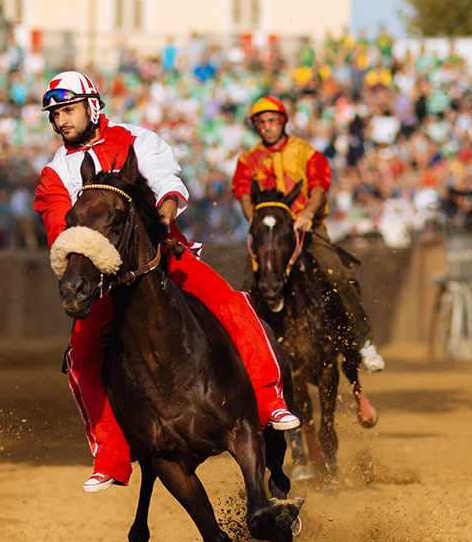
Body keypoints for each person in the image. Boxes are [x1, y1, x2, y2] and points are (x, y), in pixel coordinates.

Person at [34, 71, 299, 494]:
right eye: (55, 115)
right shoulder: (54, 173)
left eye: (68, 110)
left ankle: (269, 400)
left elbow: (167, 186)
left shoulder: (138, 138)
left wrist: (162, 223)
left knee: (232, 303)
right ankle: (111, 455)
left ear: (92, 106)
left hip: (162, 254)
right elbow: (59, 229)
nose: (61, 121)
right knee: (80, 355)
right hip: (104, 275)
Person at [232, 95, 385, 373]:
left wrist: (307, 214)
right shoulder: (247, 160)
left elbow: (318, 189)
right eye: (260, 122)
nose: (266, 126)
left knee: (338, 276)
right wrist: (253, 219)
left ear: (283, 122)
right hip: (269, 237)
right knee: (246, 287)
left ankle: (363, 343)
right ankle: (247, 351)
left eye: (272, 120)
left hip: (308, 229)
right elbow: (243, 193)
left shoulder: (307, 152)